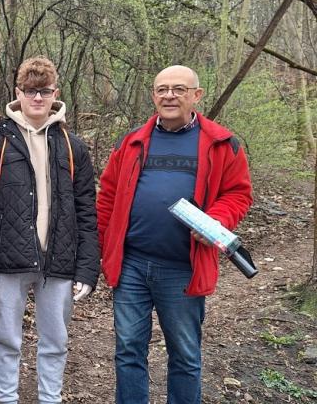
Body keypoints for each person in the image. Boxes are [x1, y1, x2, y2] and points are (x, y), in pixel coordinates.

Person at [96, 65, 253, 404]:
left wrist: (215, 220)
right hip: (132, 265)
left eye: (179, 89)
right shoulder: (133, 141)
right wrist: (104, 244)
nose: (169, 95)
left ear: (196, 96)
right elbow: (108, 194)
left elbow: (239, 194)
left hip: (183, 267)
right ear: (153, 95)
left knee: (184, 355)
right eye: (162, 89)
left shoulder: (221, 143)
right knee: (127, 350)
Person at [0, 56, 100, 404]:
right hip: (8, 261)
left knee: (56, 340)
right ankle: (6, 398)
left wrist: (88, 268)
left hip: (58, 261)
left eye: (44, 91)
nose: (37, 98)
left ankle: (50, 398)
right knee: (6, 339)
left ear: (55, 93)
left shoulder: (73, 147)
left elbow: (86, 210)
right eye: (30, 91)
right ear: (19, 92)